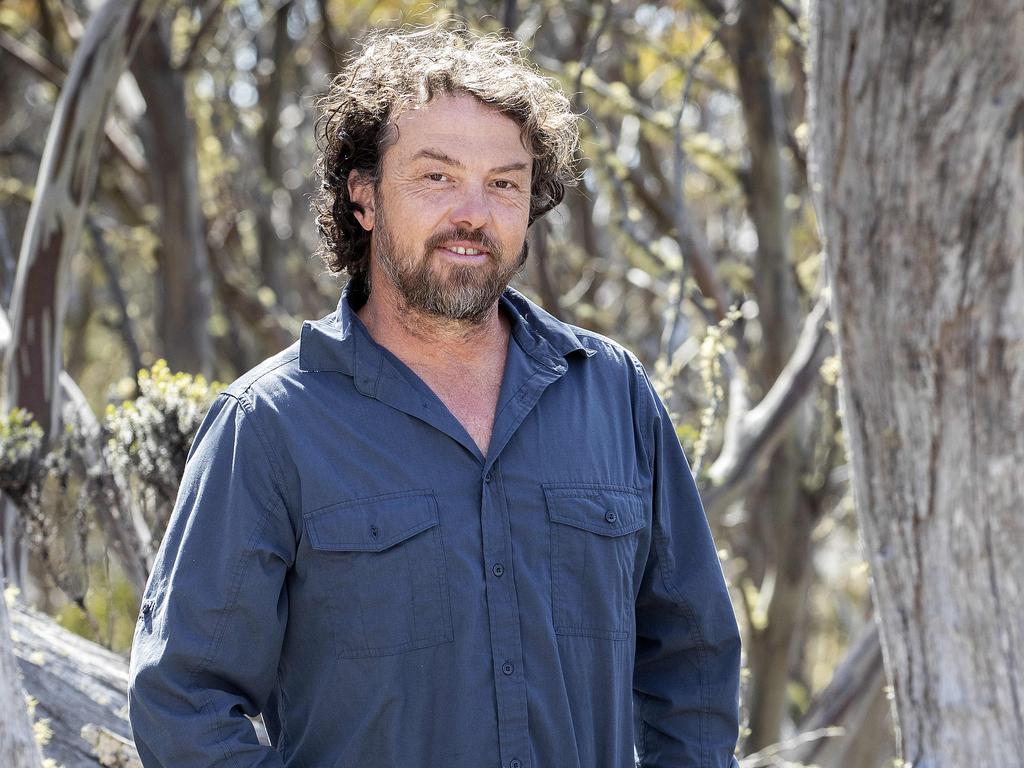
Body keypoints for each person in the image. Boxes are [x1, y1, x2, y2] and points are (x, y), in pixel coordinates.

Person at [128, 24, 741, 768]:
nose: (473, 214)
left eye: (504, 183)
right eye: (437, 176)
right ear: (364, 196)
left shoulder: (612, 395)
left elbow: (694, 658)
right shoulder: (270, 427)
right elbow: (182, 703)